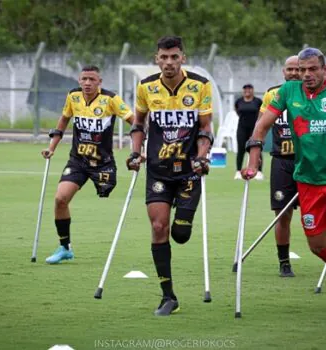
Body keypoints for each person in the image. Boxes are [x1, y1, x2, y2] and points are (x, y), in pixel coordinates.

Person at [242, 48, 326, 302]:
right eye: (302, 70)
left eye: (312, 69)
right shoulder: (288, 92)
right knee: (316, 245)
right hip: (307, 180)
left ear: (324, 69)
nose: (306, 75)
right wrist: (253, 163)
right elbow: (261, 128)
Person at [127, 36, 213, 316]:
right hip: (158, 170)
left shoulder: (200, 85)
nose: (168, 63)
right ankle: (168, 296)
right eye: (163, 58)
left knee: (181, 233)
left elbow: (205, 127)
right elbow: (139, 123)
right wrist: (135, 151)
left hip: (189, 171)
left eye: (174, 57)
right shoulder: (146, 87)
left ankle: (184, 221)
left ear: (182, 58)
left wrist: (202, 156)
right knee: (159, 227)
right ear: (157, 59)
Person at [41, 65, 134, 264]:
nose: (87, 83)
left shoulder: (111, 99)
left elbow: (134, 122)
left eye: (92, 79)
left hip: (103, 164)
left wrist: (139, 149)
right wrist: (52, 147)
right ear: (79, 80)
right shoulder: (73, 96)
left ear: (99, 82)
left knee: (105, 195)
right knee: (60, 199)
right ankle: (65, 247)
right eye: (84, 79)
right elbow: (64, 120)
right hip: (78, 161)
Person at [258, 55, 300, 277]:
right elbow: (261, 126)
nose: (294, 73)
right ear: (283, 72)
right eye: (290, 69)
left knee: (321, 213)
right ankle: (284, 262)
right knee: (282, 215)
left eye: (297, 69)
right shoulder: (272, 94)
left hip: (309, 163)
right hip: (282, 162)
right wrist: (254, 160)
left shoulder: (313, 94)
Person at [234, 84, 263, 180]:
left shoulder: (257, 101)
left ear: (252, 90)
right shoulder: (239, 101)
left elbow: (261, 112)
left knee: (256, 148)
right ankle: (238, 171)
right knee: (241, 149)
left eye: (249, 89)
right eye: (245, 89)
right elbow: (237, 111)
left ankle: (259, 171)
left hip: (254, 129)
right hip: (242, 128)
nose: (247, 91)